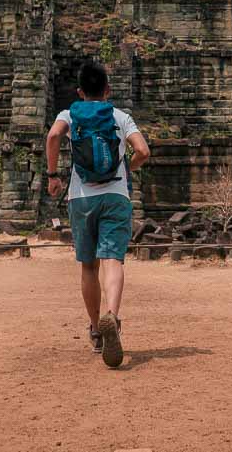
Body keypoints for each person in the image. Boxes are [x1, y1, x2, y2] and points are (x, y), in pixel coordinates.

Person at [45, 62, 150, 368]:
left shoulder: (69, 115)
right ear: (108, 90)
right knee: (113, 260)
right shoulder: (120, 116)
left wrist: (53, 175)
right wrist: (125, 171)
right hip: (116, 196)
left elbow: (53, 137)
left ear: (79, 92)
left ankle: (96, 331)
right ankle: (113, 318)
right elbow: (143, 151)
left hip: (81, 197)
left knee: (89, 266)